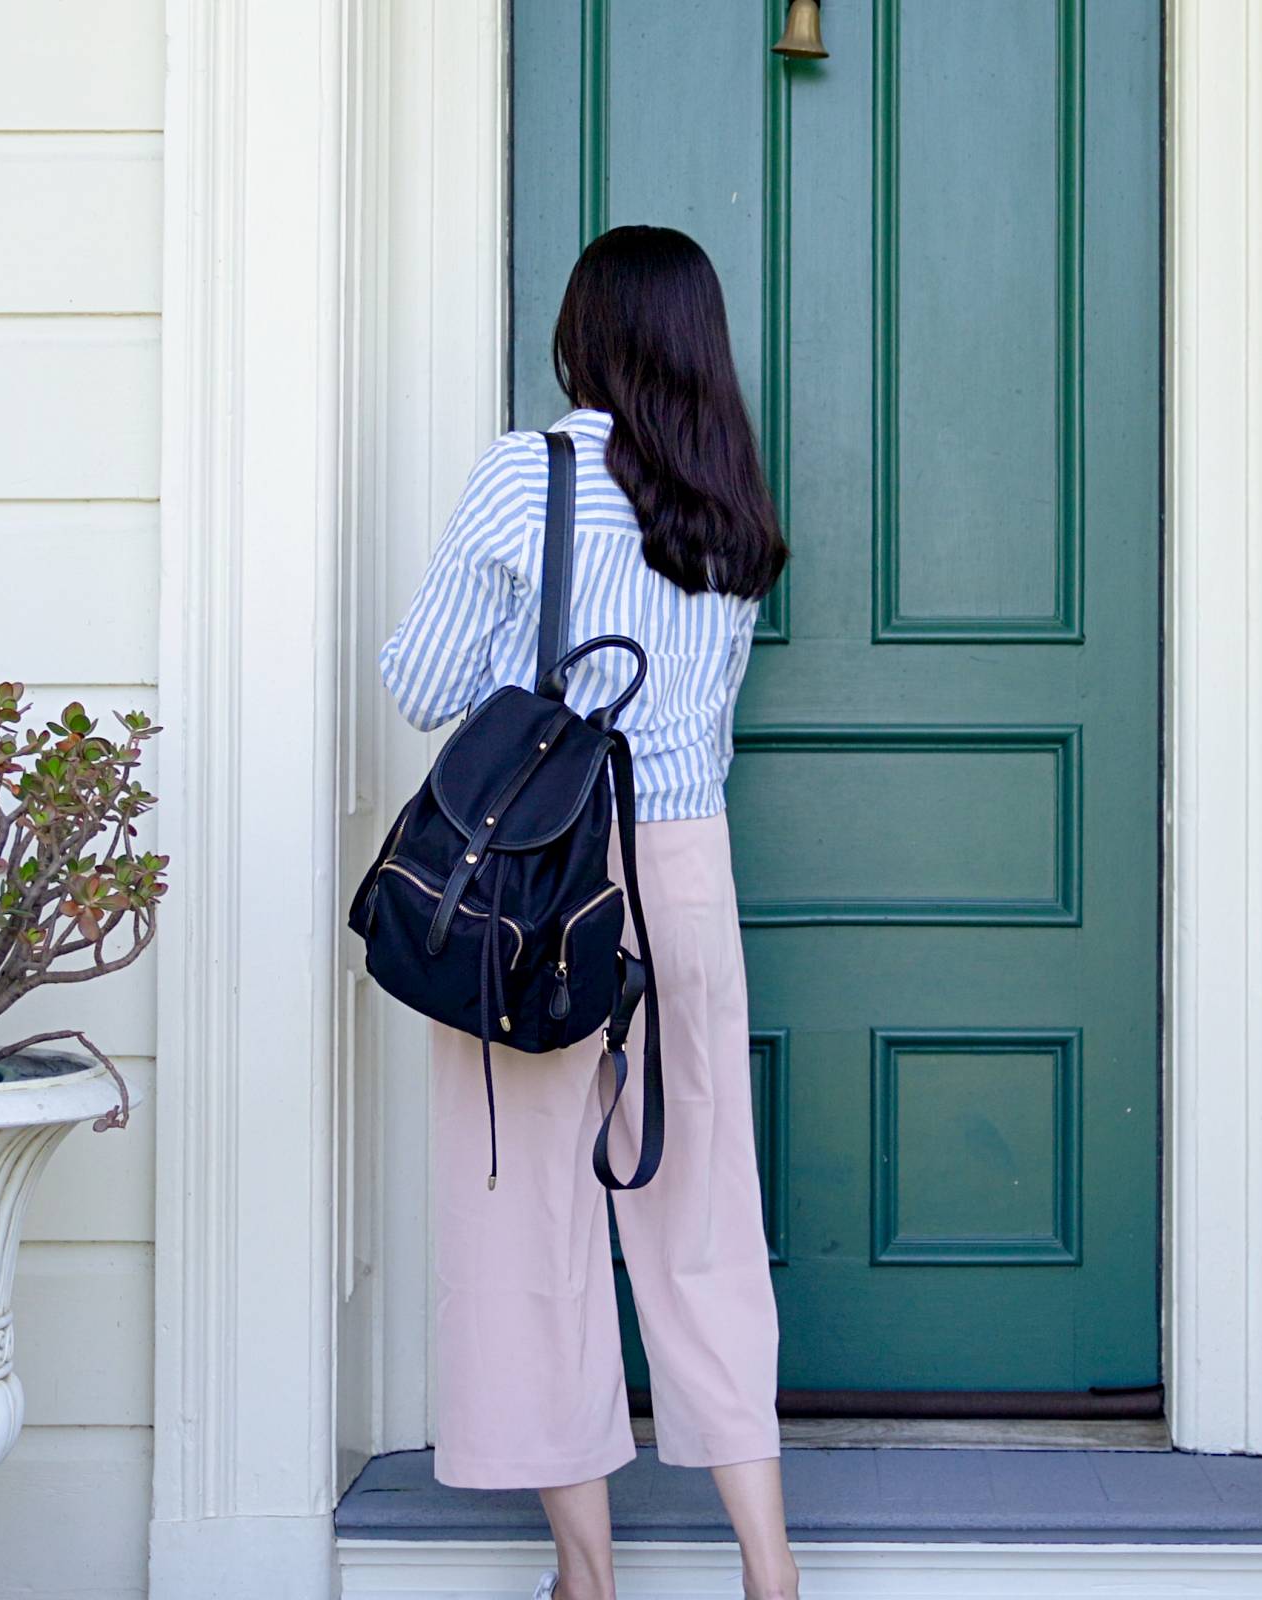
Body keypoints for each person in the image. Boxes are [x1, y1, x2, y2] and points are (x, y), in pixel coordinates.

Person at [378, 225, 798, 1600]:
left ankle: (588, 1574)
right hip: (681, 865)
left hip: (536, 883)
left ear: (585, 332)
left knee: (522, 1221)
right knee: (702, 1210)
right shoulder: (727, 502)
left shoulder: (529, 474)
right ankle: (769, 1566)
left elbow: (423, 681)